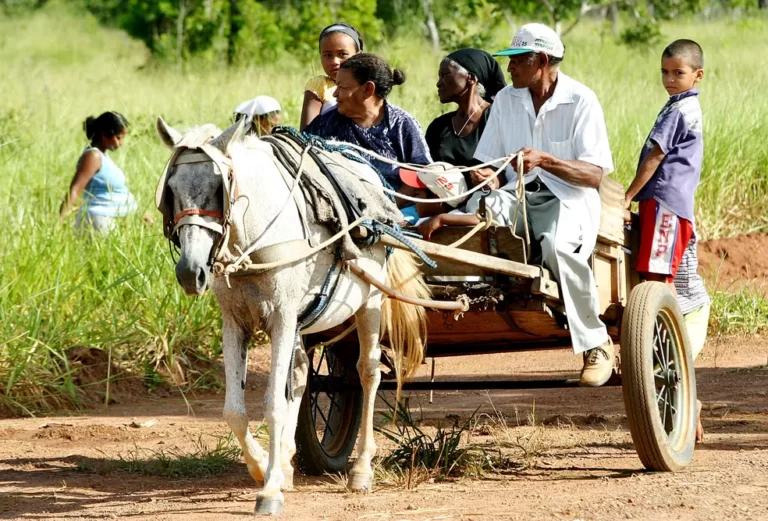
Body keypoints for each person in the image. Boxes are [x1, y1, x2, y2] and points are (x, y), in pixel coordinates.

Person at [455, 23, 616, 387]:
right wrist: (489, 178)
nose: (508, 68)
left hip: (568, 198)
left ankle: (596, 343)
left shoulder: (581, 100)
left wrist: (546, 160)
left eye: (516, 60)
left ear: (541, 61)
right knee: (472, 217)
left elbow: (593, 175)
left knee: (559, 248)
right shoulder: (507, 102)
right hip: (517, 196)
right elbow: (492, 166)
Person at [305, 53, 432, 221]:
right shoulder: (327, 123)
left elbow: (421, 174)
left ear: (368, 90)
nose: (335, 94)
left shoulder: (402, 124)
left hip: (398, 212)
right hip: (341, 212)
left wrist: (385, 207)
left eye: (342, 87)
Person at [624, 39, 705, 293]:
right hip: (660, 201)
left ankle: (665, 331)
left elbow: (656, 157)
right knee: (654, 275)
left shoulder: (680, 110)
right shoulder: (679, 105)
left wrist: (628, 196)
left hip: (666, 203)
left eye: (678, 73)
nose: (669, 79)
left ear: (698, 75)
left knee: (657, 280)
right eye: (664, 72)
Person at [408, 49, 507, 221]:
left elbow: (512, 170)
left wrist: (493, 179)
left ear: (471, 78)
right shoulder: (439, 126)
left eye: (444, 75)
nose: (438, 83)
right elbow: (424, 172)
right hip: (435, 207)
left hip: (480, 211)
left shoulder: (496, 119)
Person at [60, 111, 137, 235]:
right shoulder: (93, 156)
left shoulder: (103, 156)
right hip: (98, 220)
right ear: (104, 135)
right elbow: (75, 189)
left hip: (107, 219)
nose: (121, 143)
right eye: (118, 138)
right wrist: (60, 221)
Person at [300, 23, 364, 130]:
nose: (334, 61)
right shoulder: (320, 86)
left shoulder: (367, 86)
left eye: (342, 54)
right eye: (328, 55)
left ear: (359, 55)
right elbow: (307, 133)